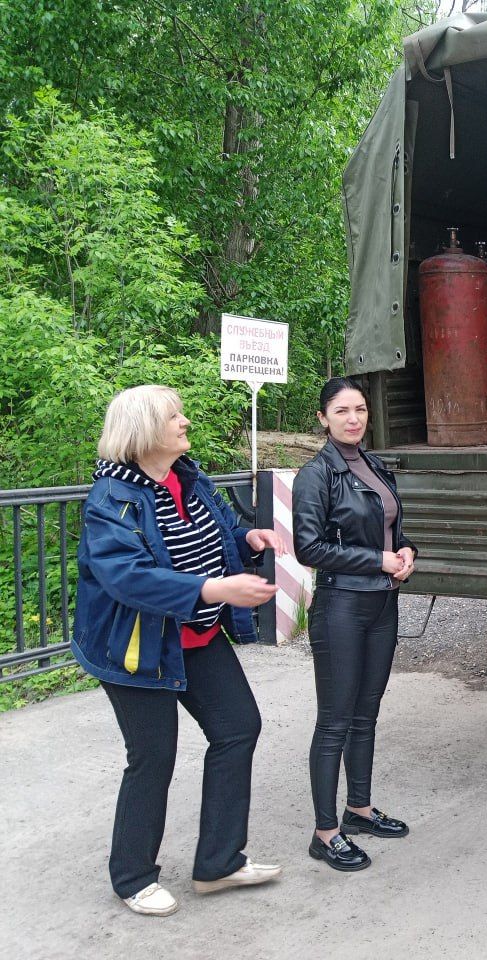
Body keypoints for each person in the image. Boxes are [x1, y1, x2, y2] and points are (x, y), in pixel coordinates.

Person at [72, 385, 285, 917]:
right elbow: (129, 579)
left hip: (197, 636)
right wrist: (215, 591)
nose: (185, 421)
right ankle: (133, 877)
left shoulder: (187, 476)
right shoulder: (110, 500)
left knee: (238, 728)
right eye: (175, 416)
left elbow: (219, 528)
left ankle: (218, 863)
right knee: (153, 758)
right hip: (136, 649)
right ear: (143, 430)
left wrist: (248, 537)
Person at [293, 377, 417, 872]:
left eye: (361, 409)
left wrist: (407, 552)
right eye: (342, 410)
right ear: (323, 418)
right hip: (341, 606)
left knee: (366, 713)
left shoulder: (377, 466)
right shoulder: (316, 474)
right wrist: (379, 561)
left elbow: (394, 531)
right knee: (335, 722)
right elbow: (310, 548)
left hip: (382, 605)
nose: (353, 418)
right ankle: (326, 833)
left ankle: (359, 811)